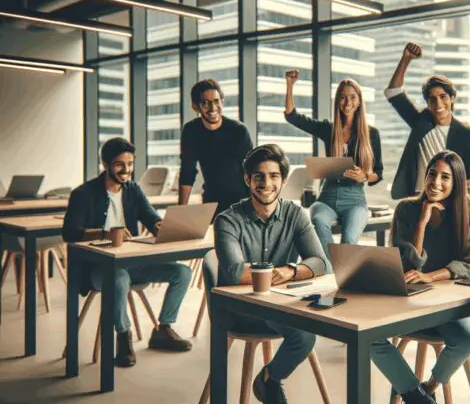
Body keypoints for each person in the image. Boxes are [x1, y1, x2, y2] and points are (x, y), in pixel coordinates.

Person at [214, 144, 330, 404]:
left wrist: (290, 270)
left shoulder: (296, 214)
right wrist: (280, 274)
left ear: (284, 180)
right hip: (239, 310)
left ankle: (269, 378)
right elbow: (234, 273)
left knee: (306, 333)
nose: (266, 183)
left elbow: (321, 262)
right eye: (259, 176)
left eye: (274, 176)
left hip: (278, 306)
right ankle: (272, 385)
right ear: (247, 179)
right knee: (303, 332)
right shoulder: (227, 220)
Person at [62, 137, 193, 368]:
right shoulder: (83, 193)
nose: (126, 170)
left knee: (182, 273)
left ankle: (163, 329)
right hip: (97, 270)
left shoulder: (133, 189)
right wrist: (105, 233)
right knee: (119, 277)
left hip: (134, 263)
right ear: (105, 165)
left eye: (130, 164)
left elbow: (151, 218)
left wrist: (162, 227)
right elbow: (70, 232)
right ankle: (123, 336)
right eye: (120, 165)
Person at [370, 150, 470, 404]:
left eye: (445, 177)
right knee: (369, 338)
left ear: (457, 183)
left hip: (446, 307)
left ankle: (426, 390)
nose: (436, 182)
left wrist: (430, 276)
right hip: (409, 305)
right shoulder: (406, 209)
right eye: (432, 174)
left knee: (465, 342)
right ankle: (415, 396)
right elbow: (407, 265)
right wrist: (422, 222)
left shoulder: (468, 211)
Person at [283, 70, 383, 263]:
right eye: (343, 98)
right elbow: (292, 117)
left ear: (360, 101)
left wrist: (364, 176)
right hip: (327, 196)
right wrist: (290, 85)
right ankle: (331, 272)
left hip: (355, 199)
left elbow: (378, 173)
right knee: (319, 221)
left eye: (352, 97)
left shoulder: (372, 133)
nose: (348, 103)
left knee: (349, 240)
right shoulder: (328, 129)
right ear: (337, 101)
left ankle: (342, 277)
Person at [385, 42, 470, 199]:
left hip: (449, 199)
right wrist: (406, 59)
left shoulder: (466, 134)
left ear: (452, 98)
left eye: (443, 97)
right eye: (432, 99)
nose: (439, 104)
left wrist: (460, 209)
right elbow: (393, 93)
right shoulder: (420, 122)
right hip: (417, 197)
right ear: (427, 103)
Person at [179, 78, 253, 217]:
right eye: (205, 103)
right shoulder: (191, 131)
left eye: (216, 101)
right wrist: (180, 213)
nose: (212, 108)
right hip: (211, 203)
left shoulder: (238, 131)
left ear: (222, 102)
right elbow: (187, 172)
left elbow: (250, 171)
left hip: (242, 203)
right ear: (195, 106)